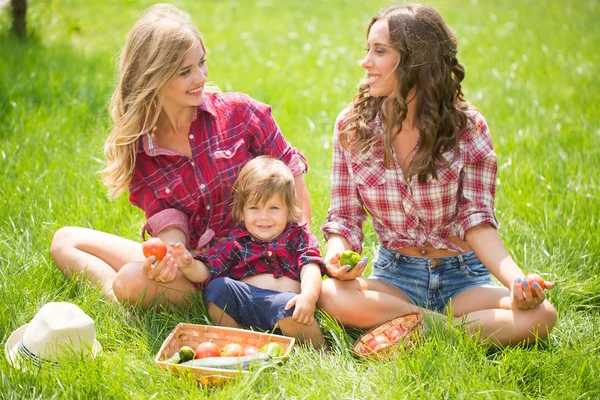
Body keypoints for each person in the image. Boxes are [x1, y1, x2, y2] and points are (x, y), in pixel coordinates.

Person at [318, 3, 557, 346]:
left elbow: (477, 221)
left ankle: (411, 328)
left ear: (416, 60)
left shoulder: (467, 127)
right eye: (367, 49)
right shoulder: (353, 127)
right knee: (329, 294)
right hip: (394, 278)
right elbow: (344, 217)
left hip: (462, 278)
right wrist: (336, 257)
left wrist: (518, 283)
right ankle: (446, 329)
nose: (365, 61)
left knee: (542, 314)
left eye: (379, 51)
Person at [50, 4, 311, 308]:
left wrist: (303, 258)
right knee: (65, 241)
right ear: (154, 78)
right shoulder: (142, 149)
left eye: (202, 63)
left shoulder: (241, 113)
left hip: (255, 264)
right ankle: (120, 300)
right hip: (196, 267)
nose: (200, 77)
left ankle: (150, 297)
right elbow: (171, 226)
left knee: (131, 281)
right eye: (185, 72)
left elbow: (293, 178)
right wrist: (169, 259)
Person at [191, 156, 325, 348]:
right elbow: (207, 269)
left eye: (273, 208)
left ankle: (320, 350)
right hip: (246, 304)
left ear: (288, 210)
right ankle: (236, 342)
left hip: (283, 304)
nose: (264, 217)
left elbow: (310, 267)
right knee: (217, 289)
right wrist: (188, 264)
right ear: (241, 211)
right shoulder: (235, 242)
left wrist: (308, 296)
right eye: (254, 208)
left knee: (292, 309)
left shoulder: (297, 237)